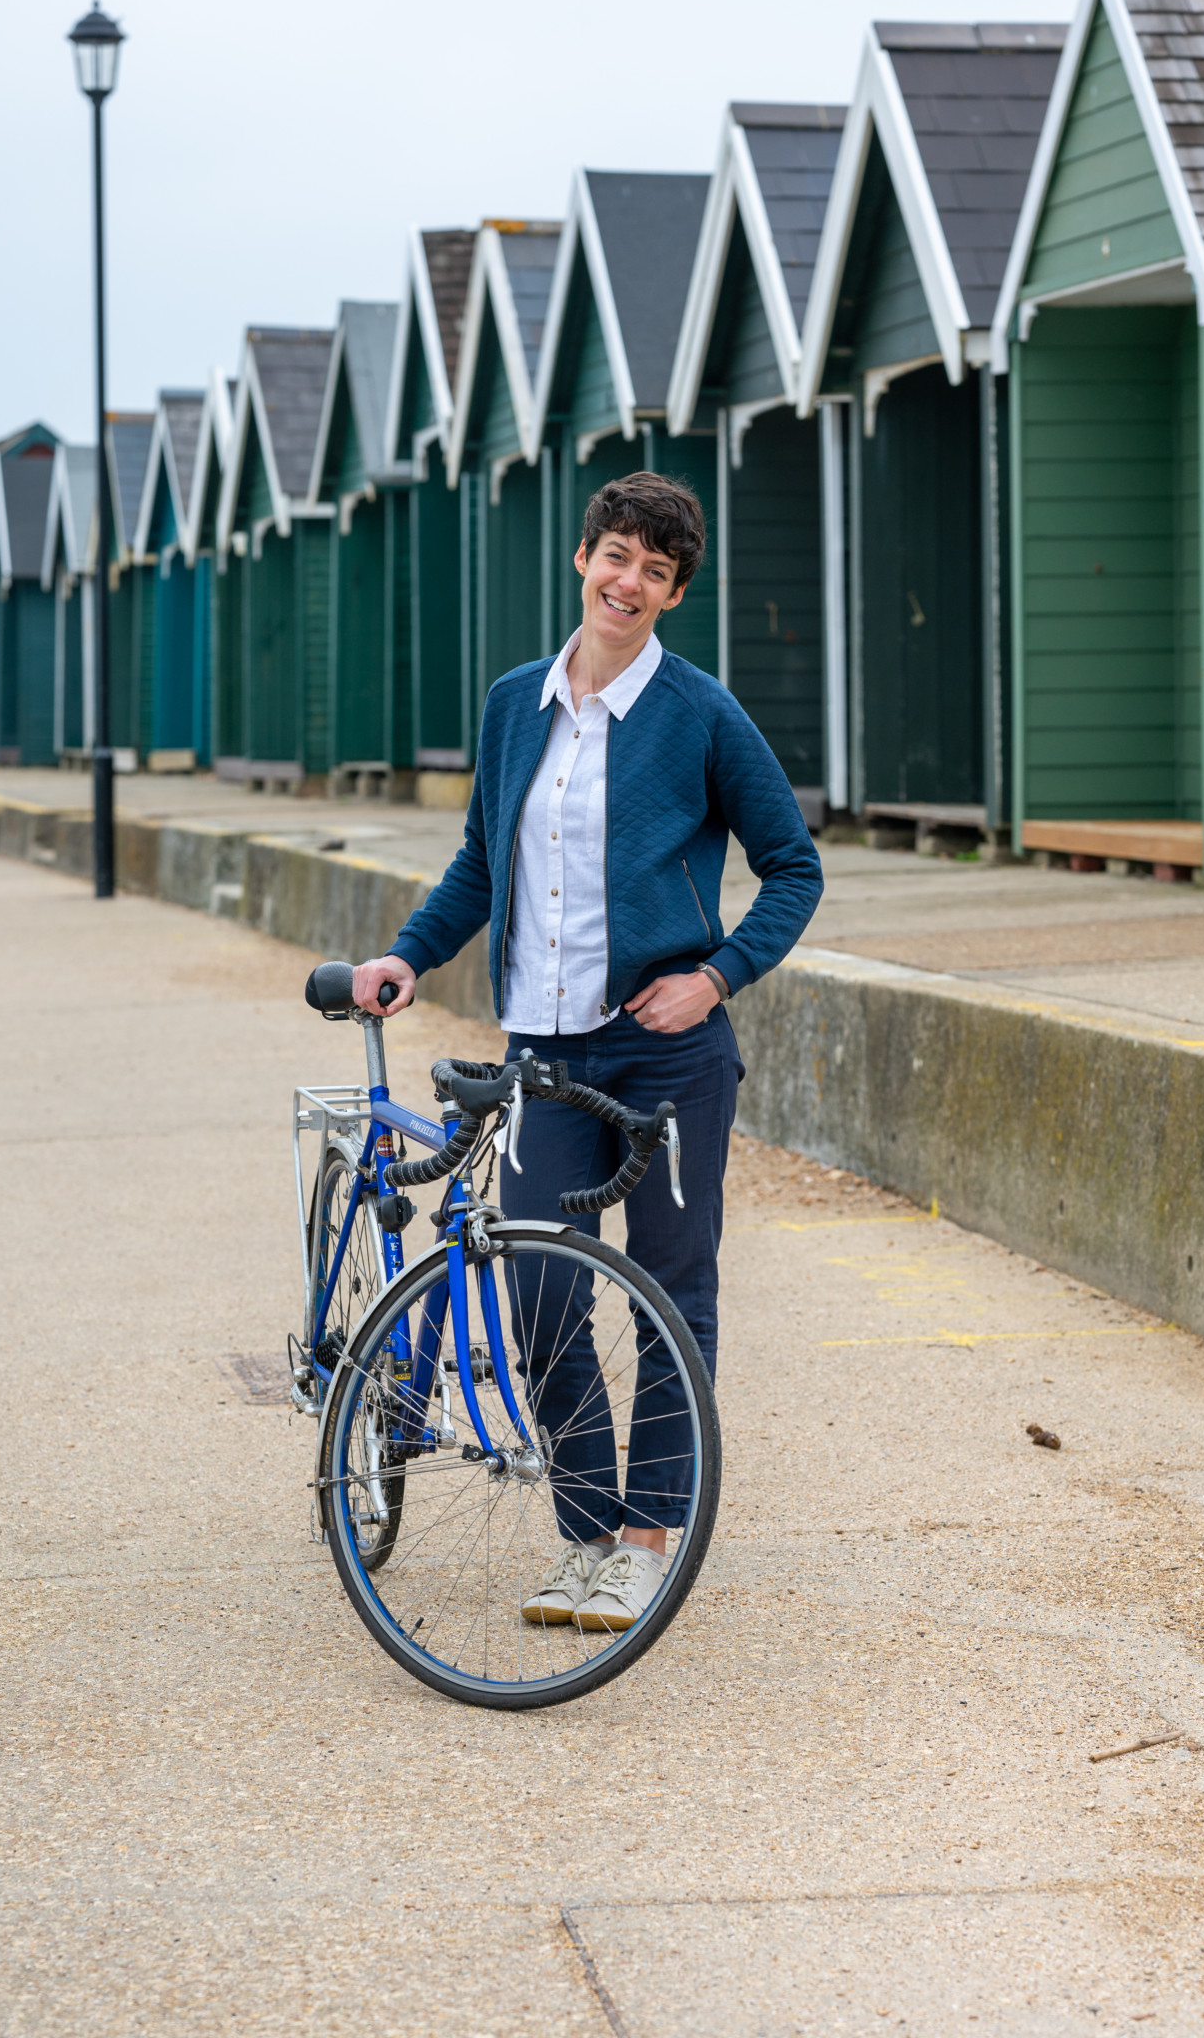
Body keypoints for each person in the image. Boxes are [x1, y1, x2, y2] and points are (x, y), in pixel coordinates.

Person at [353, 471, 823, 1631]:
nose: (629, 582)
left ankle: (648, 1539)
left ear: (673, 592)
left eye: (655, 571)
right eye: (616, 555)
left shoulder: (702, 713)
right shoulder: (517, 702)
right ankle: (582, 1534)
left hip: (665, 1060)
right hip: (544, 1057)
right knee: (546, 1291)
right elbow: (480, 859)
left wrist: (714, 975)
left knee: (668, 1290)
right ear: (582, 559)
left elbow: (794, 866)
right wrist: (410, 955)